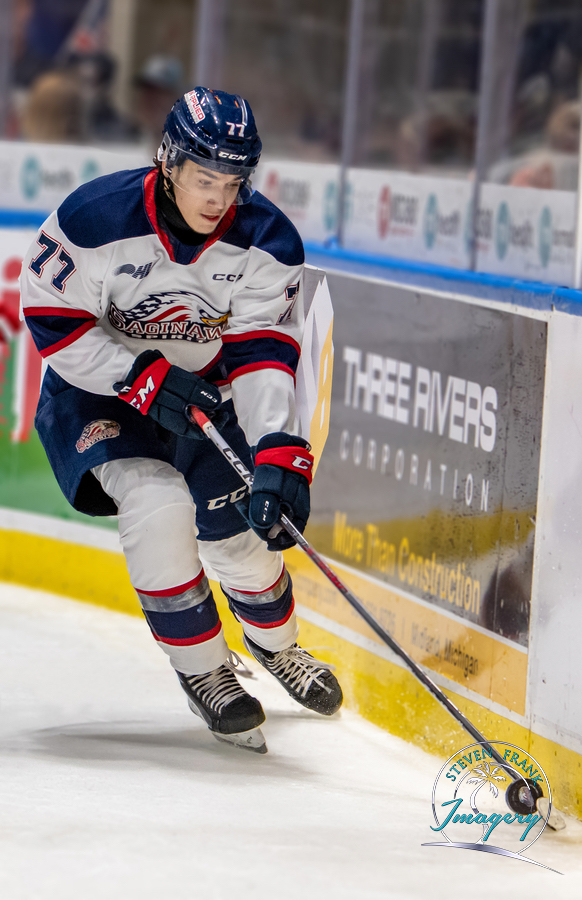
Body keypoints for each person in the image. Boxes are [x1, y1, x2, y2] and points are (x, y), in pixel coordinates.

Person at [20, 87, 343, 754]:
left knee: (242, 538)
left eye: (232, 182)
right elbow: (53, 320)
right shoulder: (93, 218)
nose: (219, 198)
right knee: (157, 502)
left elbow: (261, 351)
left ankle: (278, 647)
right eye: (204, 178)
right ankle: (204, 671)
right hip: (98, 393)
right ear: (168, 162)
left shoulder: (267, 240)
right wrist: (138, 377)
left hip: (205, 396)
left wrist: (277, 444)